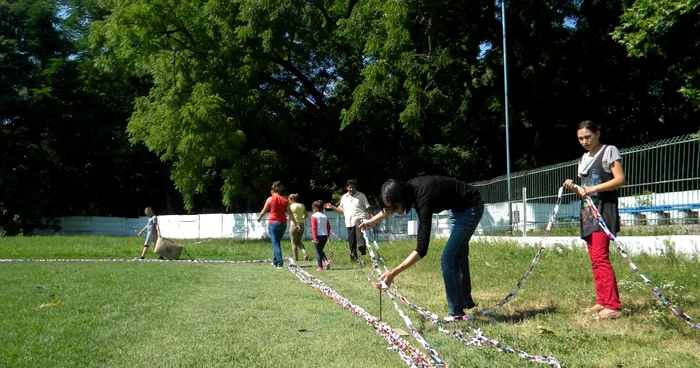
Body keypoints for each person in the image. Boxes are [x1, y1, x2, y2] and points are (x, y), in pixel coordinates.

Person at [360, 176, 484, 317]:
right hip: (456, 209)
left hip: (471, 207)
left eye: (393, 207)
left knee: (448, 259)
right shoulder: (407, 191)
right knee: (458, 255)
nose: (392, 211)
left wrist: (392, 273)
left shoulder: (424, 200)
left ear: (400, 199)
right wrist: (371, 221)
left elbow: (422, 249)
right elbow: (390, 208)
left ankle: (457, 313)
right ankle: (465, 301)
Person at [563, 120, 625, 320]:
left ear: (598, 133)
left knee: (600, 258)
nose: (584, 141)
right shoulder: (583, 158)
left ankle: (613, 306)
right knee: (595, 259)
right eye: (581, 138)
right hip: (588, 213)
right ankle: (602, 301)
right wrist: (575, 187)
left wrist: (593, 189)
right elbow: (586, 188)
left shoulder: (609, 151)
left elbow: (620, 180)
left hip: (604, 212)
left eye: (588, 136)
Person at [324, 179, 374, 261]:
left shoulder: (361, 196)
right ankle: (353, 258)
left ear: (355, 188)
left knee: (359, 229)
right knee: (352, 241)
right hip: (349, 221)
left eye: (353, 187)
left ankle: (361, 246)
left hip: (360, 218)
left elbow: (368, 207)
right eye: (350, 187)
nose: (351, 189)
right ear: (347, 187)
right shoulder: (344, 197)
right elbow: (341, 211)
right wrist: (332, 207)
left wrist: (373, 218)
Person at [257, 181, 300, 269]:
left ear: (272, 191)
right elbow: (290, 214)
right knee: (276, 243)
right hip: (283, 224)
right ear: (280, 191)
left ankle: (280, 264)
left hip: (273, 223)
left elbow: (264, 211)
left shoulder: (270, 199)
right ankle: (275, 261)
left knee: (275, 243)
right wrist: (296, 224)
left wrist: (259, 218)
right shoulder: (285, 200)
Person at [310, 200, 331, 271]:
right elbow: (328, 227)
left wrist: (314, 237)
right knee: (320, 250)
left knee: (317, 251)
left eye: (313, 208)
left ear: (316, 208)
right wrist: (327, 235)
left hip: (318, 235)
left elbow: (314, 227)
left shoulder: (314, 216)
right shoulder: (325, 216)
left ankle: (320, 267)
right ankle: (326, 261)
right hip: (324, 235)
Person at [288, 194, 310, 261]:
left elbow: (290, 217)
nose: (288, 201)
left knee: (293, 242)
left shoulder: (291, 206)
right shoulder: (302, 205)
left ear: (291, 199)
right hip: (301, 224)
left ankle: (295, 258)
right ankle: (305, 253)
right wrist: (301, 217)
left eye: (289, 200)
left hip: (293, 225)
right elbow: (306, 215)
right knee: (299, 242)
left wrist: (287, 218)